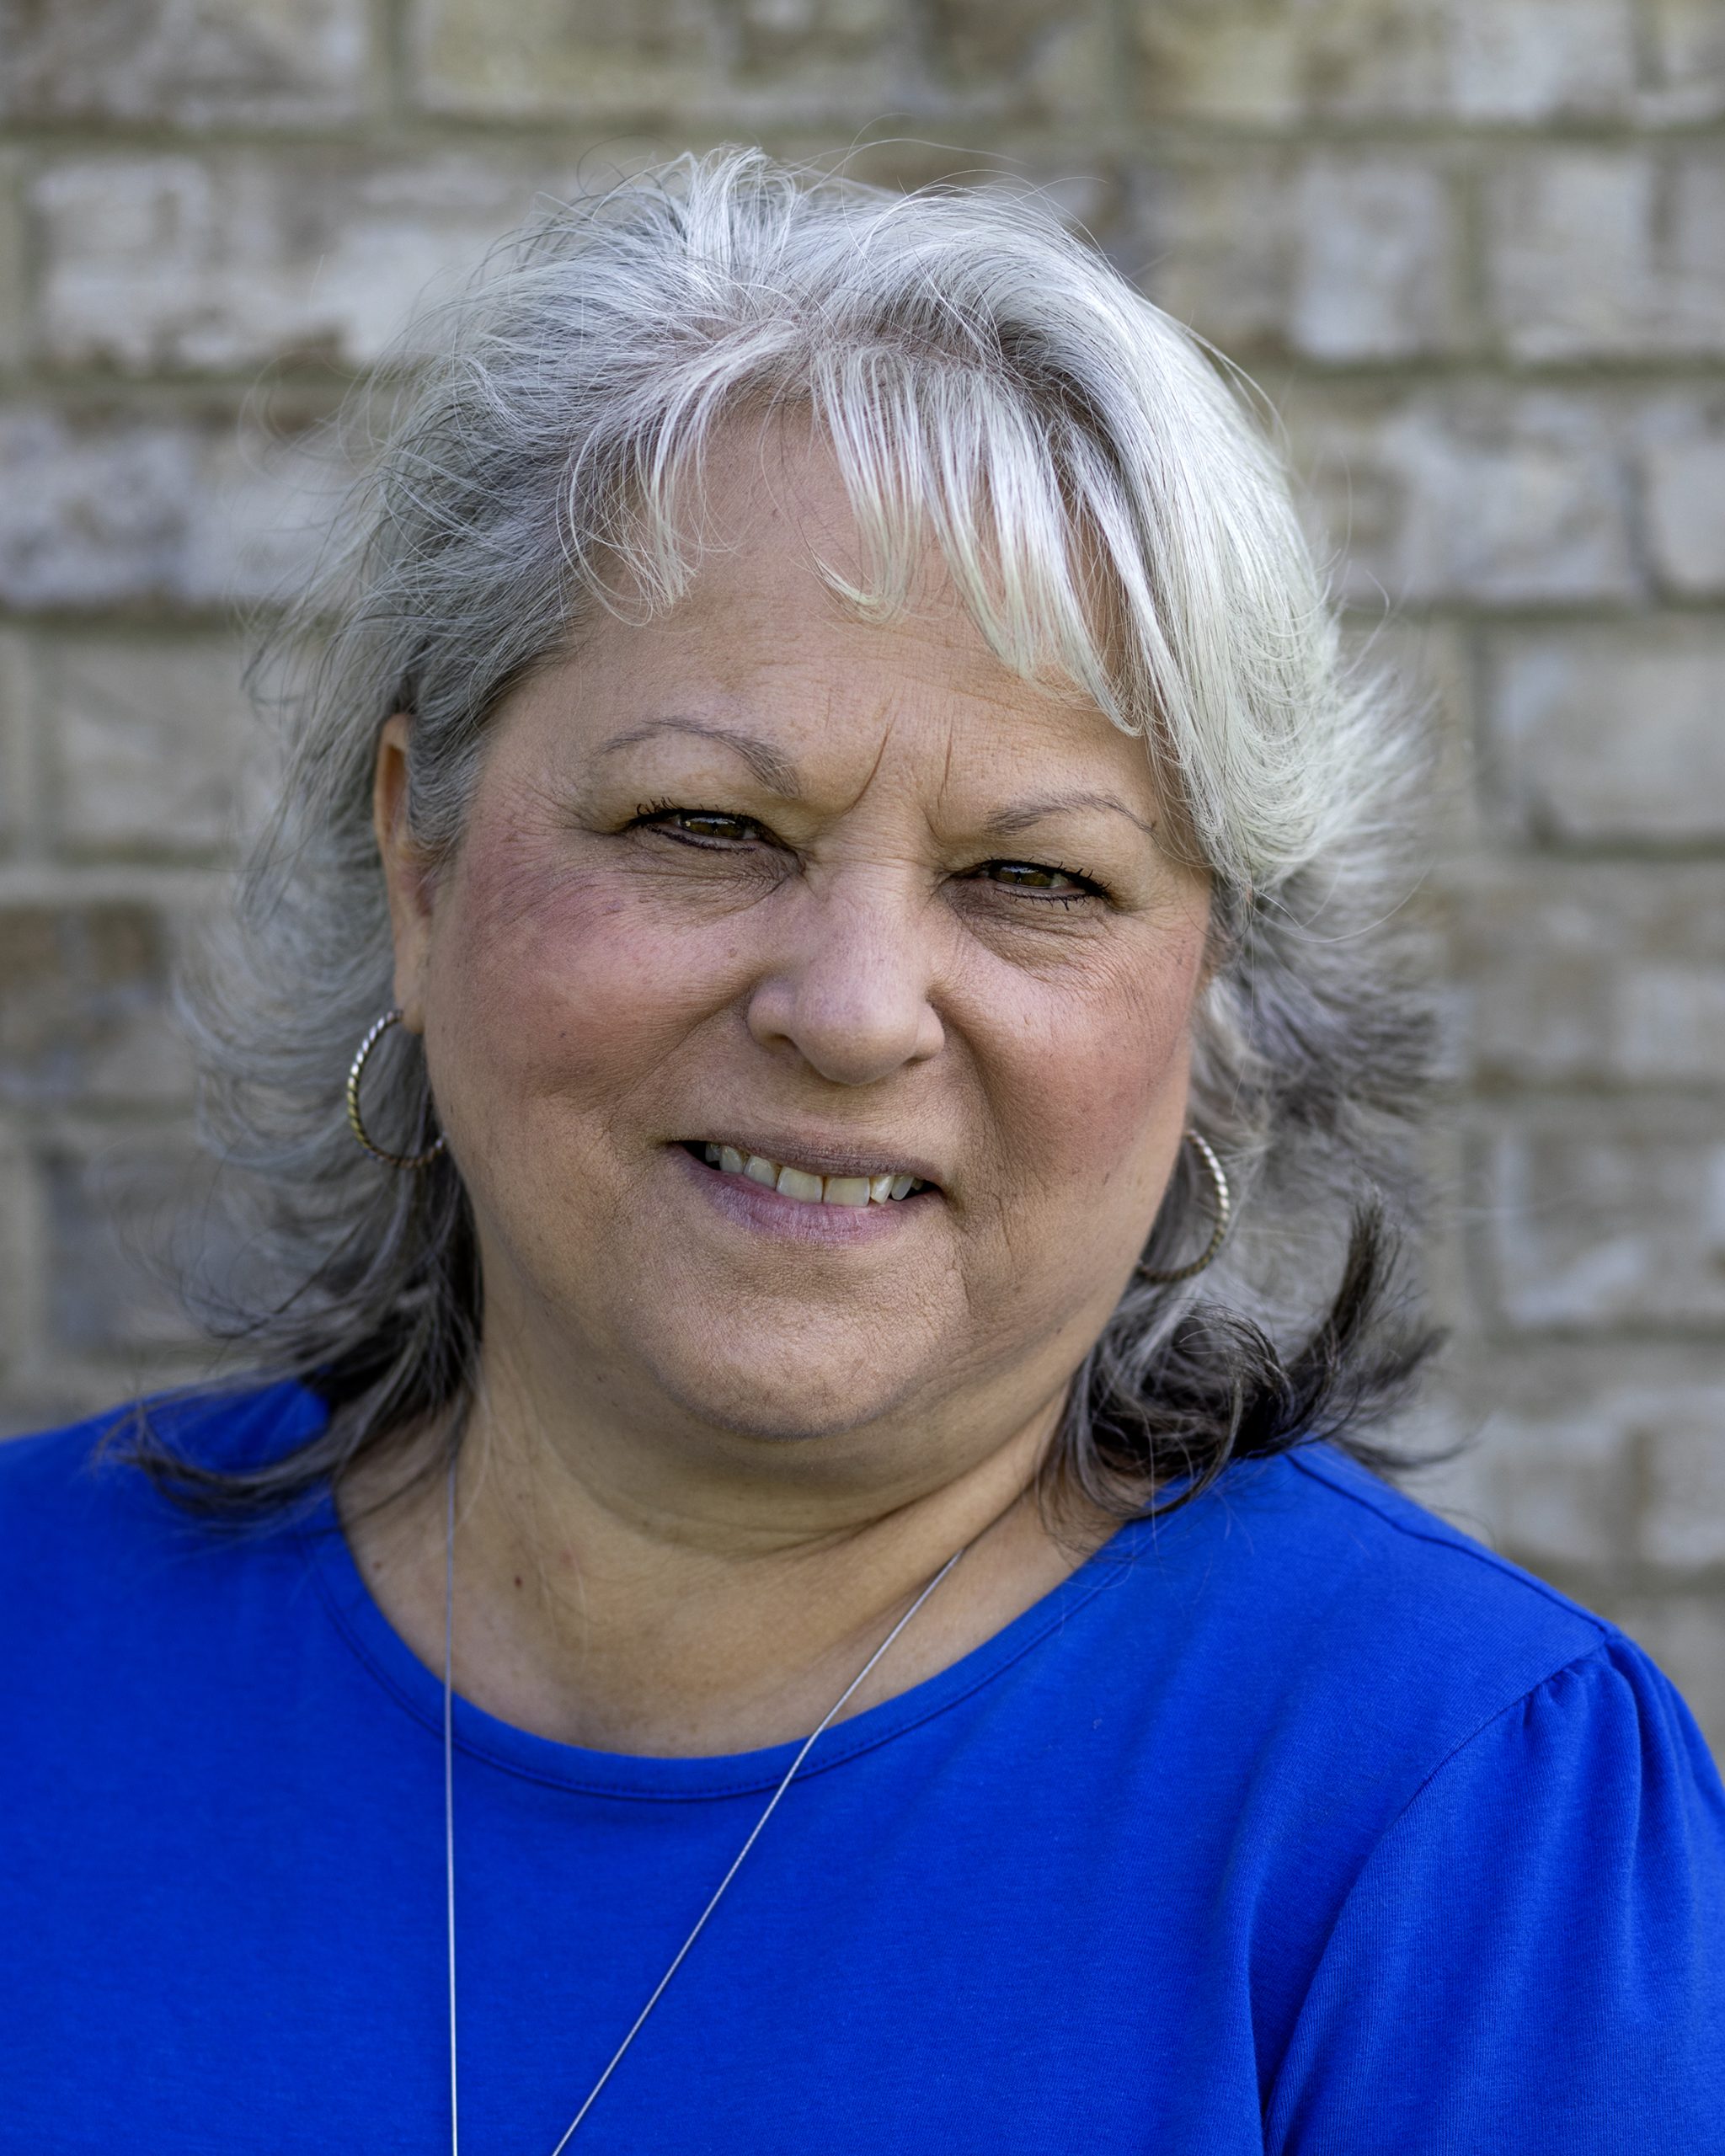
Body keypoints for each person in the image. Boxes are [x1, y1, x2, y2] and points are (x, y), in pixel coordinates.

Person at [2, 150, 1720, 2153]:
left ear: (1209, 988)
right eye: (704, 826)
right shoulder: (34, 1644)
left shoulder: (1460, 1817)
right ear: (421, 858)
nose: (852, 1008)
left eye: (1033, 876)